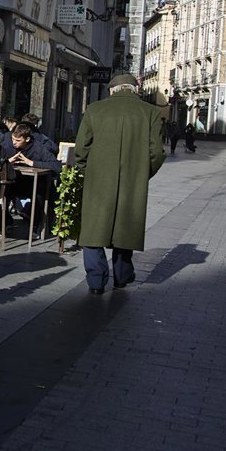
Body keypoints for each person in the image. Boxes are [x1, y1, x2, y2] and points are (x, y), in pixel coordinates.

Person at [72, 74, 165, 294]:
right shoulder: (151, 112)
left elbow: (81, 149)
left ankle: (96, 282)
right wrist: (141, 174)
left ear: (112, 90)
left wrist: (88, 172)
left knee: (93, 230)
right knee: (125, 228)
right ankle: (122, 277)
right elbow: (157, 153)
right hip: (132, 182)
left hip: (98, 181)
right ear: (135, 90)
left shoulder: (95, 109)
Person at [5, 123, 61, 231]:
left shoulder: (38, 148)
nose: (14, 142)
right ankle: (5, 222)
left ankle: (36, 226)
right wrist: (8, 162)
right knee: (2, 190)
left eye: (18, 140)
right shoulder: (8, 146)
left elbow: (56, 166)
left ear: (27, 139)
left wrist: (32, 163)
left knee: (39, 194)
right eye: (13, 139)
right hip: (15, 181)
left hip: (34, 184)